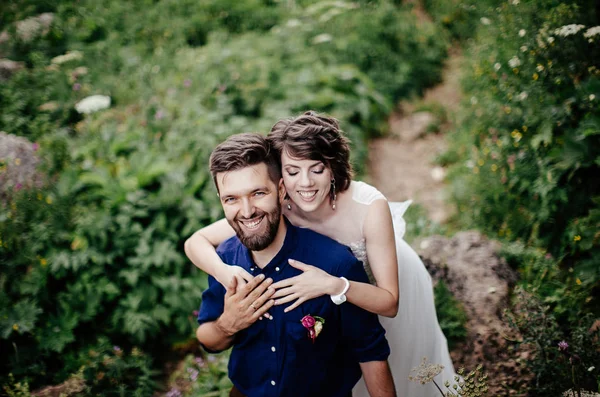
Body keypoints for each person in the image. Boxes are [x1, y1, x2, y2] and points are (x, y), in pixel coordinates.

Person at [186, 112, 457, 396]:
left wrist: (334, 284)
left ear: (333, 167)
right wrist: (224, 273)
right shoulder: (274, 205)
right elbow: (198, 240)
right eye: (292, 172)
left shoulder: (366, 209)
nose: (305, 183)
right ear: (282, 180)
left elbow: (389, 303)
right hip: (327, 293)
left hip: (374, 285)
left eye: (316, 169)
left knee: (396, 357)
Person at [195, 133, 396, 397]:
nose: (246, 211)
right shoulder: (225, 258)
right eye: (231, 199)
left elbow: (371, 354)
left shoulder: (335, 264)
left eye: (257, 193)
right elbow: (208, 338)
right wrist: (228, 325)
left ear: (280, 190)